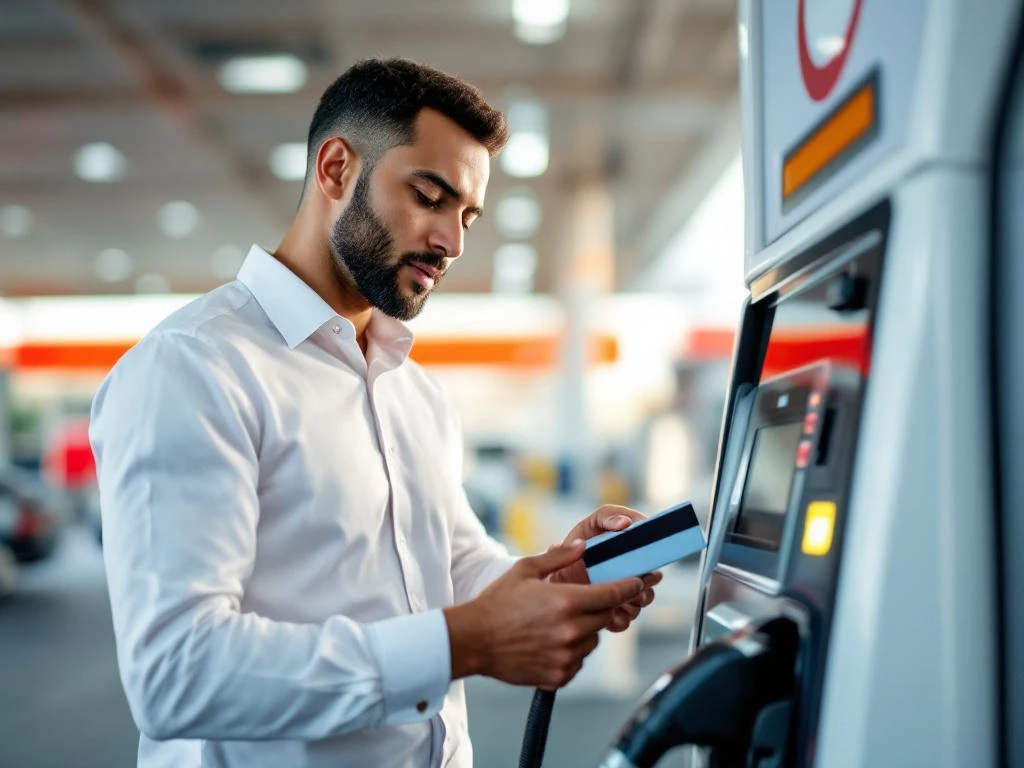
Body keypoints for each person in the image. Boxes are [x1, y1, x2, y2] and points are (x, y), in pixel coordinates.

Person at [89, 58, 661, 768]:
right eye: (430, 196)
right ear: (335, 170)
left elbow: (447, 562)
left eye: (467, 215)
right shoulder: (192, 368)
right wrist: (470, 641)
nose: (453, 242)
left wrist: (549, 579)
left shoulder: (411, 389)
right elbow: (176, 673)